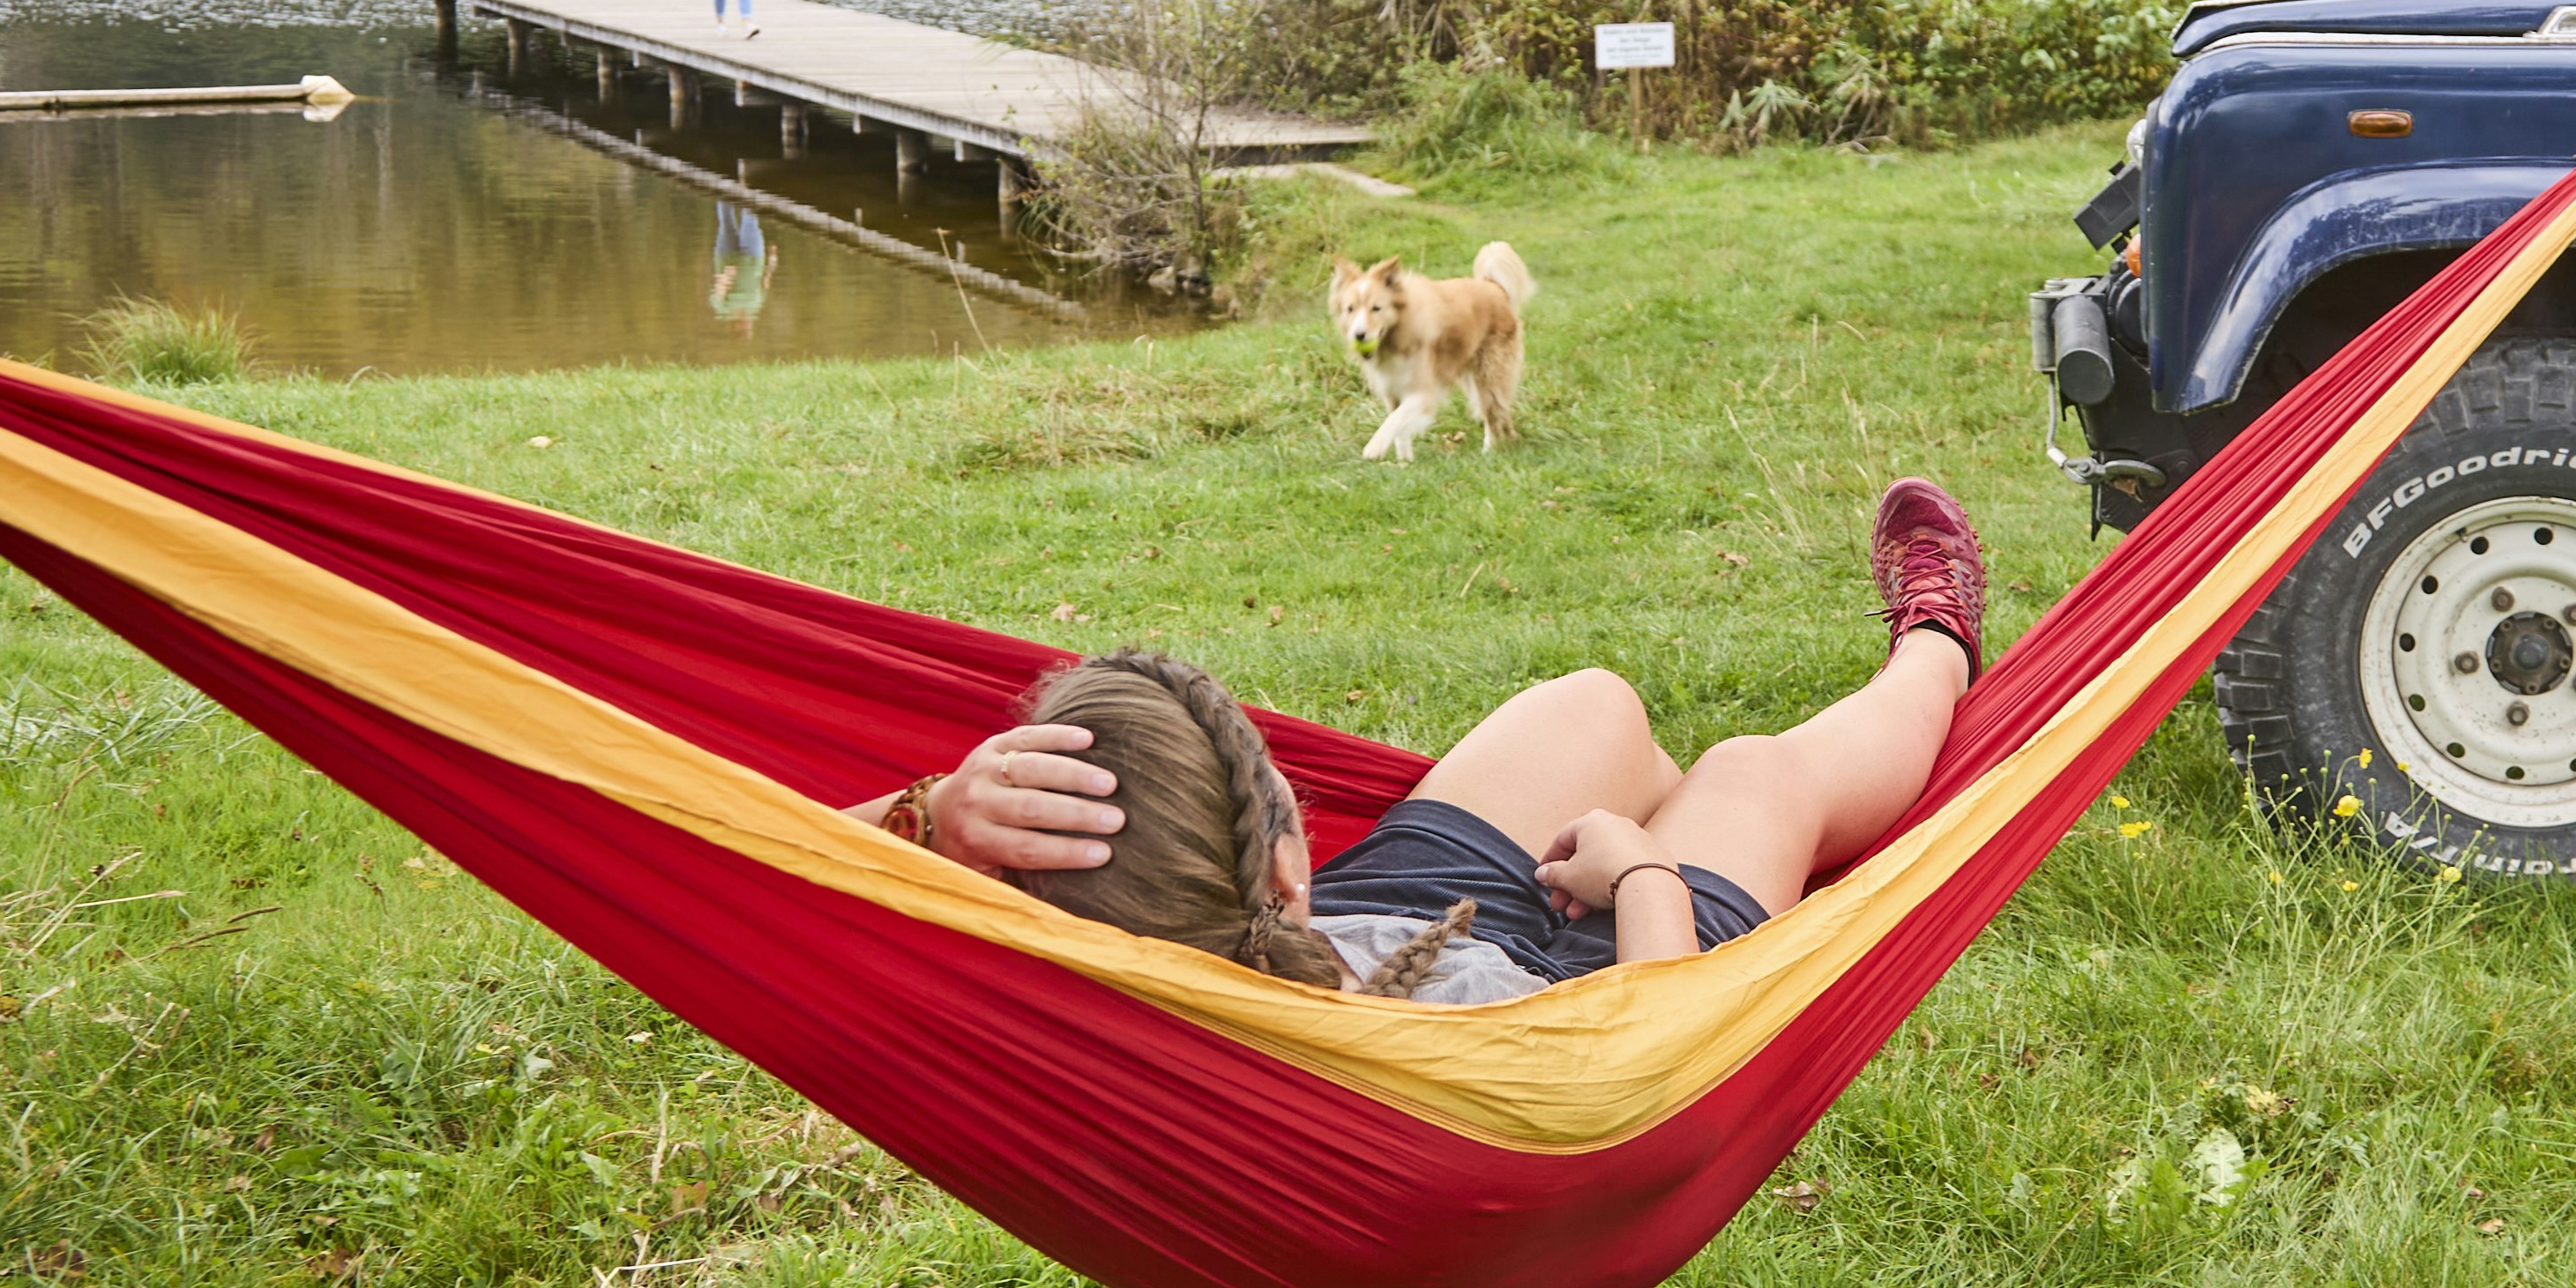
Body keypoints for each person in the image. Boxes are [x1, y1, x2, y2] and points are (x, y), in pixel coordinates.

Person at [847, 483, 1990, 1001]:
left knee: (1593, 705)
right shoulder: (1447, 1082)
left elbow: (760, 858)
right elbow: (1656, 1061)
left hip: (1384, 931)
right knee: (1758, 773)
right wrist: (1642, 876)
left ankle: (1687, 823)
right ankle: (1936, 642)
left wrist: (935, 819)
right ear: (1286, 860)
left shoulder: (1062, 966)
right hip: (1597, 986)